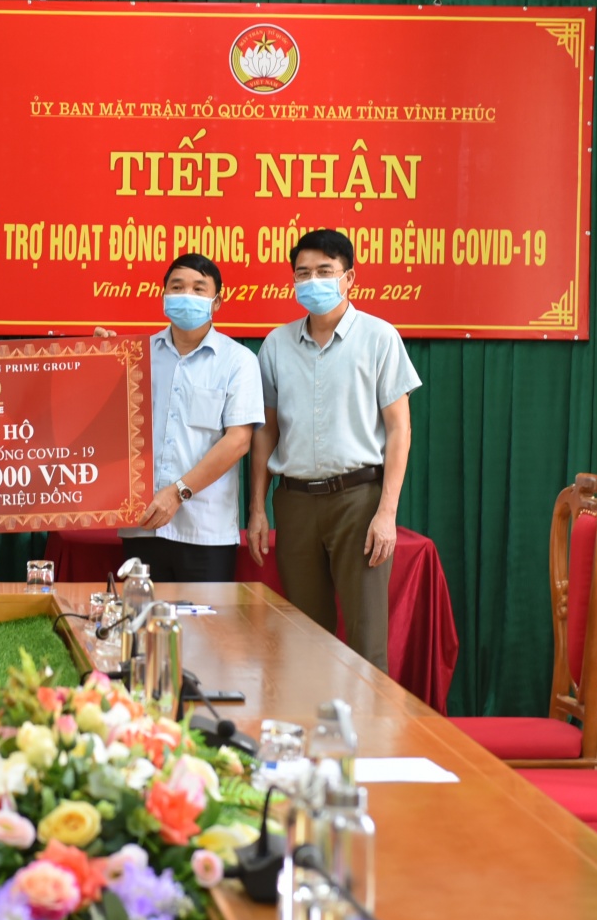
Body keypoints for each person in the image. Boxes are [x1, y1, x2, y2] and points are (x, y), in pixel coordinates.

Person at [248, 228, 419, 671]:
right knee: (303, 640)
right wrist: (257, 508)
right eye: (303, 273)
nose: (313, 281)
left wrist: (387, 512)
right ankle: (310, 719)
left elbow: (399, 429)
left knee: (366, 643)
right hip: (294, 502)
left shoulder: (380, 338)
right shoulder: (276, 344)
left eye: (325, 271)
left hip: (358, 502)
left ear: (349, 278)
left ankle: (370, 721)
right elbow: (265, 432)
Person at [114, 253, 262, 582]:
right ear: (163, 296)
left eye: (198, 289)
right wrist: (100, 361)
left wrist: (177, 492)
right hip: (143, 525)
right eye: (177, 287)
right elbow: (108, 426)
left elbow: (238, 441)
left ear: (217, 301)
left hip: (205, 531)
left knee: (204, 618)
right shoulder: (135, 355)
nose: (186, 296)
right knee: (140, 615)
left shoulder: (238, 361)